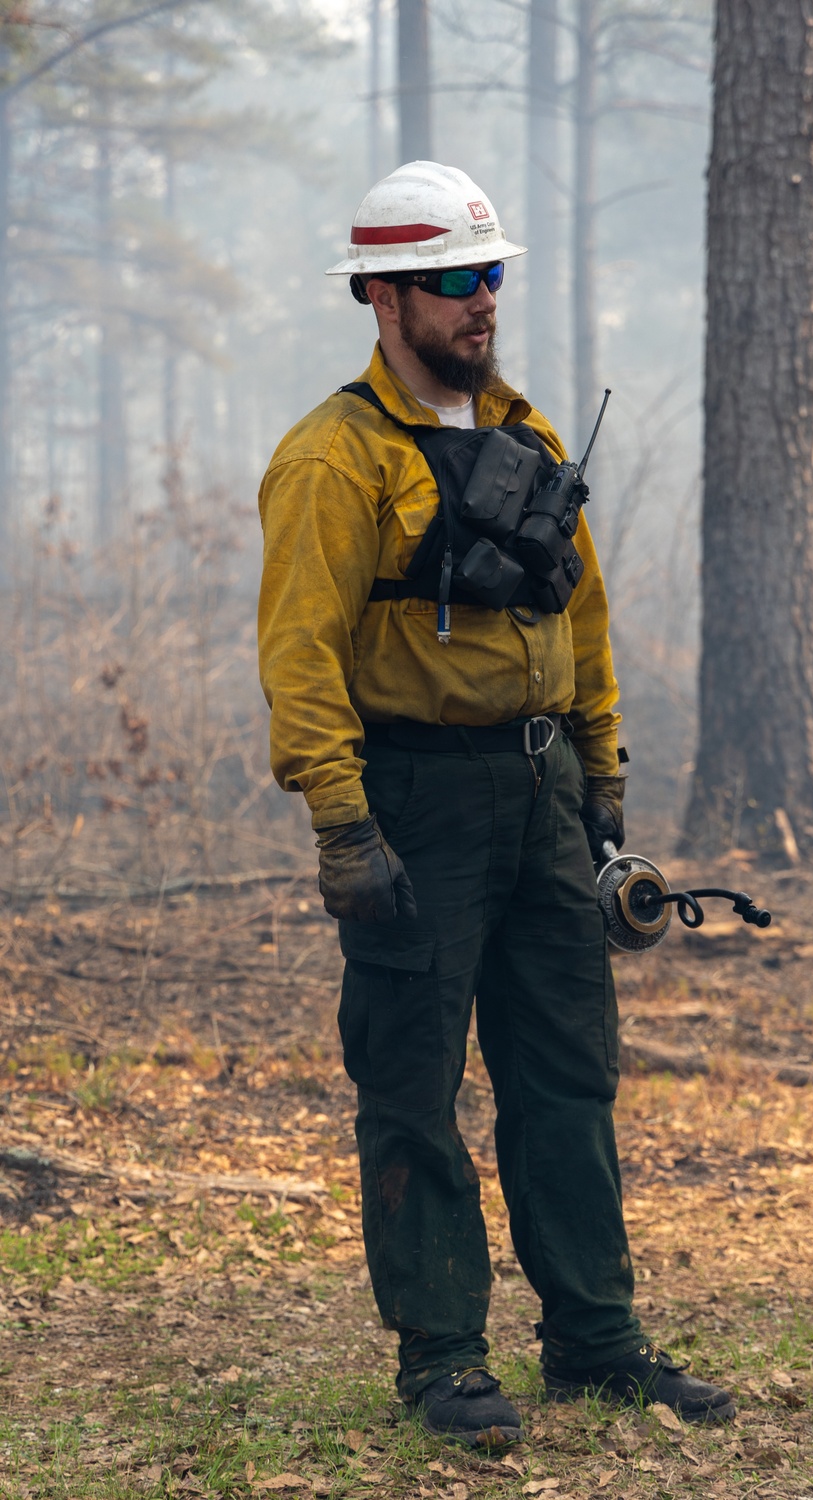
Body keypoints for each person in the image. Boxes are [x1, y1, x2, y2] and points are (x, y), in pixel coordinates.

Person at [257, 161, 735, 1448]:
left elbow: (583, 623)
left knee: (569, 1077)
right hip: (412, 796)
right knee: (413, 1087)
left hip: (544, 788)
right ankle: (444, 1360)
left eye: (494, 276)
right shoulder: (331, 460)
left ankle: (595, 1342)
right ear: (383, 297)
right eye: (458, 282)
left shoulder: (524, 437)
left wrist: (605, 775)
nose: (483, 304)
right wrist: (343, 825)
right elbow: (299, 655)